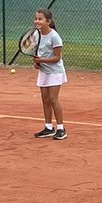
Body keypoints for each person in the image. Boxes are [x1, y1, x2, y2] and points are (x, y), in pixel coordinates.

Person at [31, 8, 67, 140]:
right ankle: (48, 128)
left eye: (40, 19)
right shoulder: (36, 35)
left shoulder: (54, 36)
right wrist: (37, 63)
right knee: (45, 99)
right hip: (44, 71)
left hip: (55, 71)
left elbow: (57, 58)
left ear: (48, 21)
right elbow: (38, 54)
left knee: (53, 99)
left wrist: (41, 60)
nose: (37, 21)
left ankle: (61, 129)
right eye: (36, 19)